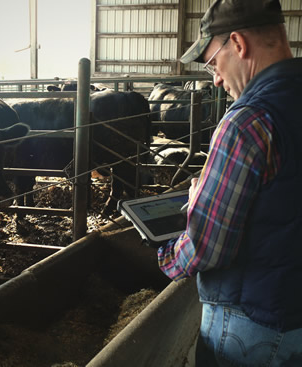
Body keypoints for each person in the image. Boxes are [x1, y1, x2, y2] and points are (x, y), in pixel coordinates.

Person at [157, 0, 302, 365]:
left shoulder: (247, 122)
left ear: (238, 44)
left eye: (211, 64)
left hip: (254, 325)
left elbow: (208, 246)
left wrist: (169, 256)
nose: (216, 79)